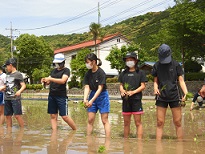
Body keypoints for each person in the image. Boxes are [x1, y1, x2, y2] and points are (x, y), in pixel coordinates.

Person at [152, 44, 188, 140]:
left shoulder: (176, 65)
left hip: (174, 95)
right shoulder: (156, 65)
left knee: (177, 122)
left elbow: (181, 80)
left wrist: (186, 93)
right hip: (161, 96)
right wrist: (155, 88)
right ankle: (158, 145)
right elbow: (155, 80)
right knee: (160, 122)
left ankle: (180, 144)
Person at [41, 53, 76, 131]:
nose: (57, 64)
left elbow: (63, 81)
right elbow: (48, 82)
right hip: (52, 95)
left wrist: (50, 79)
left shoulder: (66, 70)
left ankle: (75, 130)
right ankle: (54, 132)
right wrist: (45, 81)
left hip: (61, 96)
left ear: (63, 62)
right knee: (53, 115)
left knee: (64, 116)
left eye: (58, 63)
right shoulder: (53, 71)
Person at [118, 52, 147, 139]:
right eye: (127, 60)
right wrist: (122, 90)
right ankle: (126, 141)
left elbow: (143, 86)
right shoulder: (123, 73)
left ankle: (139, 142)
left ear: (135, 61)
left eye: (131, 60)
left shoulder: (140, 72)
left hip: (136, 100)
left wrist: (133, 92)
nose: (129, 61)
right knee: (126, 123)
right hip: (126, 101)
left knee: (138, 122)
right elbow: (121, 85)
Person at [83, 53, 110, 137]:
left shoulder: (101, 73)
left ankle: (107, 140)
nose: (86, 64)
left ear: (93, 62)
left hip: (102, 95)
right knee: (90, 119)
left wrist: (91, 100)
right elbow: (87, 87)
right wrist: (85, 99)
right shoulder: (88, 73)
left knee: (104, 120)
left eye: (88, 62)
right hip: (92, 94)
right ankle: (88, 139)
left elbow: (100, 88)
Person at [3, 58, 26, 128]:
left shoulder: (18, 74)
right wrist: (3, 88)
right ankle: (9, 132)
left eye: (7, 66)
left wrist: (19, 91)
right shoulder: (7, 74)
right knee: (7, 116)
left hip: (15, 98)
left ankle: (22, 129)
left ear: (10, 65)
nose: (6, 68)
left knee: (17, 115)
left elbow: (23, 85)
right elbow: (6, 85)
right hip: (7, 98)